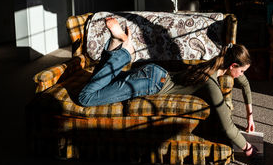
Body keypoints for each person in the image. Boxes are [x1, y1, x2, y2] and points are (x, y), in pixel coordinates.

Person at [78, 18, 257, 156]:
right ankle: (126, 51)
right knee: (86, 98)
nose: (242, 75)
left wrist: (250, 116)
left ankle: (115, 44)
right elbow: (228, 128)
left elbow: (244, 83)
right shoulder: (210, 83)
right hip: (150, 82)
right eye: (241, 70)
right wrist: (248, 148)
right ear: (232, 66)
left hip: (153, 73)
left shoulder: (212, 65)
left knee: (102, 81)